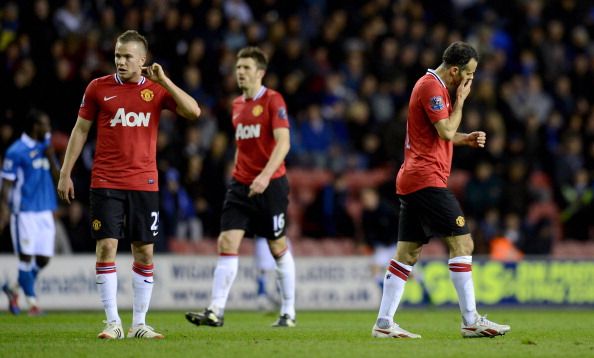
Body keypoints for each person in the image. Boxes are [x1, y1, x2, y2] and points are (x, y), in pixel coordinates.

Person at [56, 30, 200, 339]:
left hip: (144, 182)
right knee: (107, 246)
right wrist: (65, 171)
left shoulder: (156, 90)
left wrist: (166, 82)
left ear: (142, 60)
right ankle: (112, 323)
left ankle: (139, 324)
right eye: (117, 55)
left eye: (127, 57)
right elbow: (80, 130)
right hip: (106, 180)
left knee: (144, 253)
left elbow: (193, 111)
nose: (120, 61)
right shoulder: (98, 88)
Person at [371, 42, 511, 339]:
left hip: (414, 179)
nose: (471, 81)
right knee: (464, 245)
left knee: (407, 254)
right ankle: (471, 320)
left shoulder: (432, 87)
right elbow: (445, 130)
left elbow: (439, 136)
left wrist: (465, 139)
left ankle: (383, 323)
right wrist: (460, 102)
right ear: (455, 70)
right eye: (469, 74)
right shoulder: (432, 88)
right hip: (426, 180)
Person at [185, 46, 296, 328]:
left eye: (246, 68)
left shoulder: (273, 100)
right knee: (226, 242)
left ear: (260, 72)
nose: (240, 72)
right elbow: (242, 146)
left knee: (277, 245)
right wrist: (238, 172)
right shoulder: (235, 106)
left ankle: (288, 311)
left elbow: (283, 143)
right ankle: (215, 310)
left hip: (271, 185)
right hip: (241, 185)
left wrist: (264, 176)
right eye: (238, 68)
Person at [0, 109, 59, 316]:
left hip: (45, 210)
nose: (49, 129)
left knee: (43, 259)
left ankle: (13, 288)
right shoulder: (16, 151)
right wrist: (3, 211)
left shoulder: (46, 146)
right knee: (26, 258)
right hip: (24, 212)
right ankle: (32, 304)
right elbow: (6, 185)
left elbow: (57, 176)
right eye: (46, 125)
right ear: (36, 127)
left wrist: (51, 155)